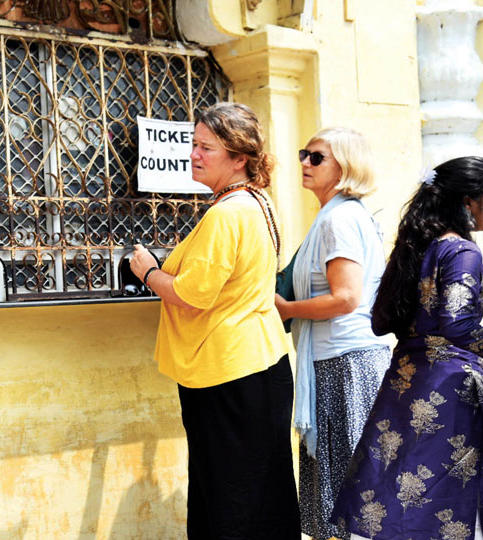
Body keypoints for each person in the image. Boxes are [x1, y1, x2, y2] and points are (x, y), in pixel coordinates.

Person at [129, 102, 299, 539]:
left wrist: (148, 270)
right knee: (263, 491)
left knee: (228, 495)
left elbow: (190, 296)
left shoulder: (228, 213)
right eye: (193, 144)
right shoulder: (259, 203)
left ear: (239, 157)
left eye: (206, 147)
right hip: (260, 364)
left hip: (228, 373)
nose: (193, 154)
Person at [330, 156, 483, 540]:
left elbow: (382, 319)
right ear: (468, 202)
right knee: (444, 497)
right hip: (449, 392)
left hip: (405, 384)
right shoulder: (463, 252)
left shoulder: (416, 247)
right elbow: (458, 323)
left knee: (402, 493)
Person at [274, 127, 391, 540]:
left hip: (345, 363)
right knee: (355, 489)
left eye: (317, 157)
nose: (304, 162)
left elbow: (345, 298)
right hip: (350, 360)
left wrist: (287, 309)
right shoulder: (343, 214)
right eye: (305, 154)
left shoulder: (339, 219)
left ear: (346, 166)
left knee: (347, 492)